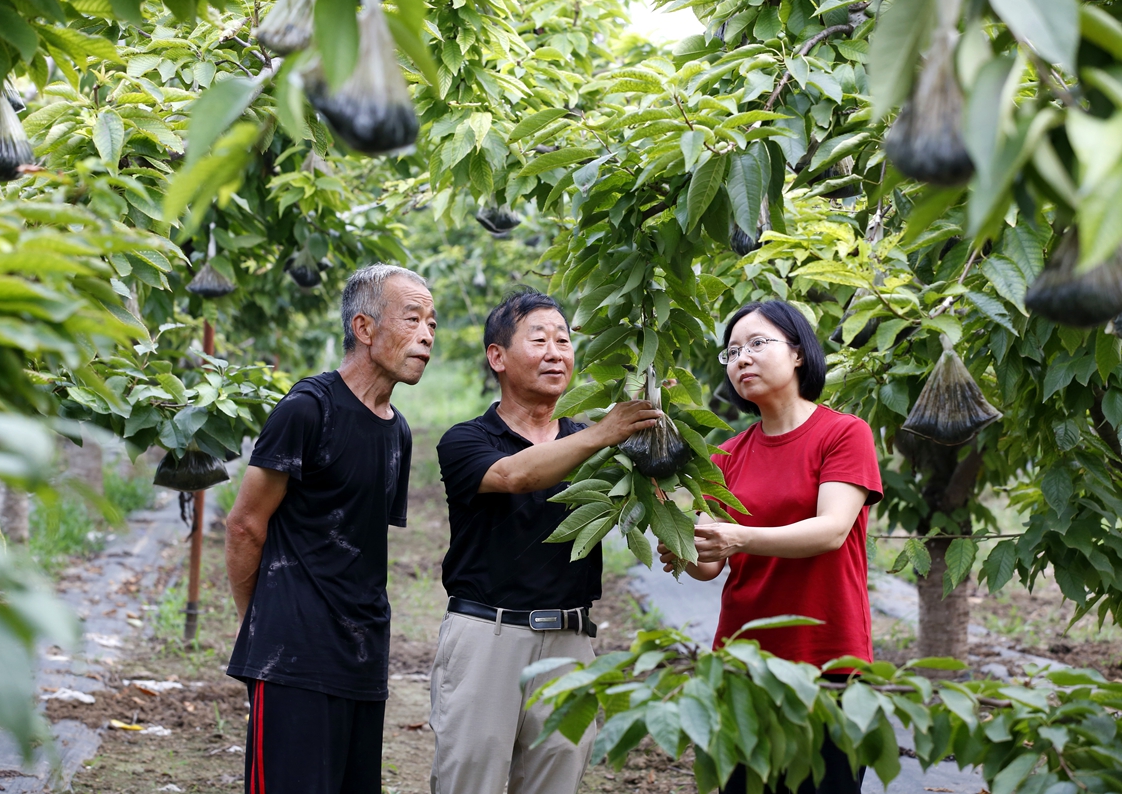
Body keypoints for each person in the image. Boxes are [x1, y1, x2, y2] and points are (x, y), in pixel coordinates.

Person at [429, 290, 662, 794]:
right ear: (498, 357)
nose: (556, 352)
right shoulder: (467, 440)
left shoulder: (593, 443)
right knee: (470, 782)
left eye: (564, 340)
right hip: (487, 637)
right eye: (539, 340)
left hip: (570, 641)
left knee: (555, 782)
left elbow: (652, 504)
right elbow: (514, 477)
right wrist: (603, 433)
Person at [225, 264, 435, 794]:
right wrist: (260, 621)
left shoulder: (397, 430)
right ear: (364, 329)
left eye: (433, 322)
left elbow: (358, 540)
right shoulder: (307, 409)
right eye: (412, 319)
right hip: (293, 654)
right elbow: (246, 525)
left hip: (364, 654)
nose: (427, 335)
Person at [659, 299, 882, 794]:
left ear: (799, 353)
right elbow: (711, 567)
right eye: (732, 351)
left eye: (757, 343)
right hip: (744, 662)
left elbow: (830, 530)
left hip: (827, 661)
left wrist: (737, 536)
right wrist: (683, 545)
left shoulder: (843, 434)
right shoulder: (726, 455)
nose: (742, 358)